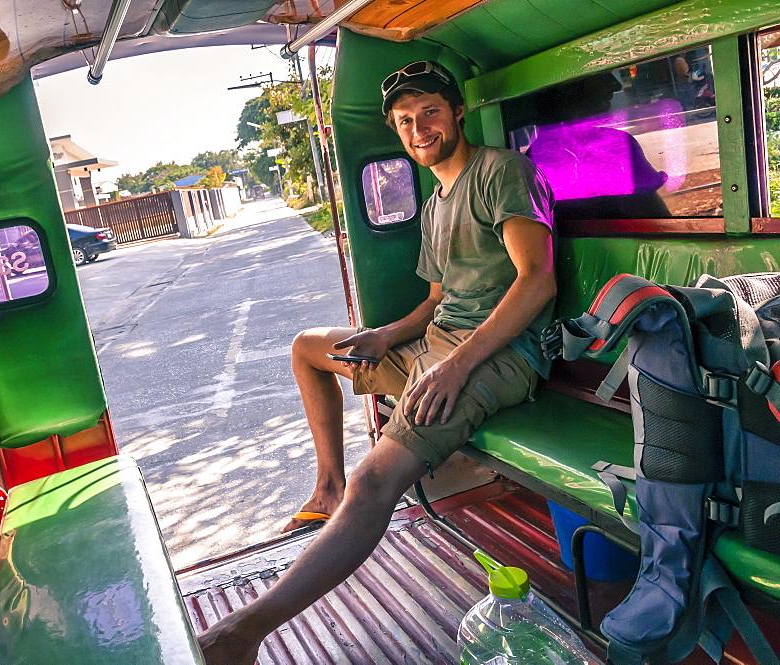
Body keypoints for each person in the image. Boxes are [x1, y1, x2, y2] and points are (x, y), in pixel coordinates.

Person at [197, 60, 556, 665]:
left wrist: (456, 366)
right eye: (405, 121)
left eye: (431, 113)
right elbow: (438, 301)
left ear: (458, 112)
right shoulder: (437, 197)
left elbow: (537, 280)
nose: (420, 129)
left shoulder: (501, 172)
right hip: (435, 345)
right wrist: (383, 335)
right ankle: (327, 487)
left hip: (498, 356)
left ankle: (240, 635)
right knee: (308, 348)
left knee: (377, 479)